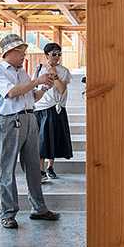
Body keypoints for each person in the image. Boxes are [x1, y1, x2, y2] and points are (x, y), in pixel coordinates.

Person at [0, 33, 60, 229]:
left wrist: (44, 87)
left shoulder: (23, 73)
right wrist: (36, 81)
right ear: (8, 52)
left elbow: (31, 98)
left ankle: (39, 208)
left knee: (34, 169)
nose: (24, 56)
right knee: (7, 169)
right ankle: (8, 214)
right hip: (10, 122)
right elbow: (11, 93)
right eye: (21, 52)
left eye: (24, 52)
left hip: (30, 118)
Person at [33, 41, 73, 181]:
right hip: (40, 108)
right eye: (54, 54)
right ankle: (40, 170)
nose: (57, 57)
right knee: (42, 141)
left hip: (56, 108)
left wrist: (54, 73)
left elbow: (62, 89)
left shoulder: (64, 71)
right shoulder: (38, 69)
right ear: (46, 55)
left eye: (59, 54)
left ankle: (50, 167)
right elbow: (34, 86)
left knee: (53, 139)